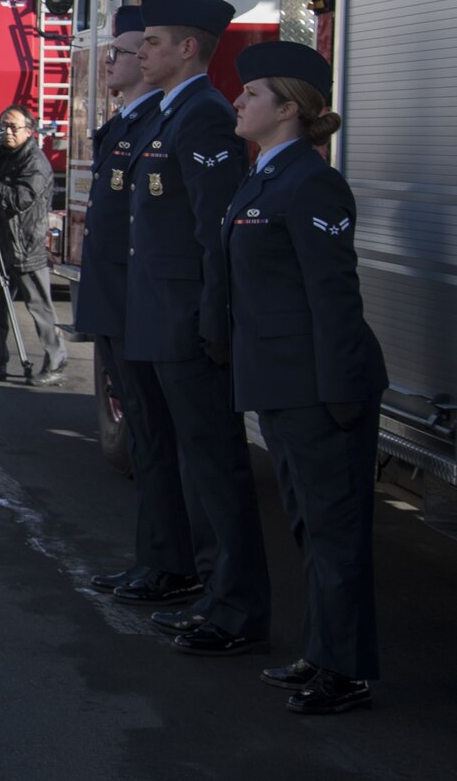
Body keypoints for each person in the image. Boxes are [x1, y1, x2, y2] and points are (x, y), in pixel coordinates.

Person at [220, 42, 386, 715]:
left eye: (252, 93)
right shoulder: (265, 174)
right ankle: (322, 654)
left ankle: (346, 671)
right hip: (282, 384)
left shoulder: (312, 182)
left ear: (289, 108)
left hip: (320, 388)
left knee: (335, 532)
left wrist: (341, 388)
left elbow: (335, 296)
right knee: (311, 531)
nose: (237, 101)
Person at [126, 0, 271, 655]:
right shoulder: (170, 114)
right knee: (189, 463)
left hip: (187, 321)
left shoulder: (206, 118)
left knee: (214, 468)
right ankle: (215, 596)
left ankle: (235, 607)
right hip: (161, 315)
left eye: (153, 41)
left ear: (189, 48)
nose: (141, 50)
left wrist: (213, 318)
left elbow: (217, 231)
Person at [73, 8, 200, 606]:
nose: (115, 60)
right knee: (145, 439)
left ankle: (169, 563)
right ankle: (155, 559)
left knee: (156, 438)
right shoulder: (130, 122)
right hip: (117, 300)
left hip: (136, 302)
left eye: (125, 51)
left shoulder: (160, 121)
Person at [0, 104, 69, 383]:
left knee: (39, 306)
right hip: (0, 241)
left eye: (13, 127)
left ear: (30, 131)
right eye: (3, 126)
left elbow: (21, 199)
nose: (7, 132)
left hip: (26, 243)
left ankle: (56, 361)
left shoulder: (35, 162)